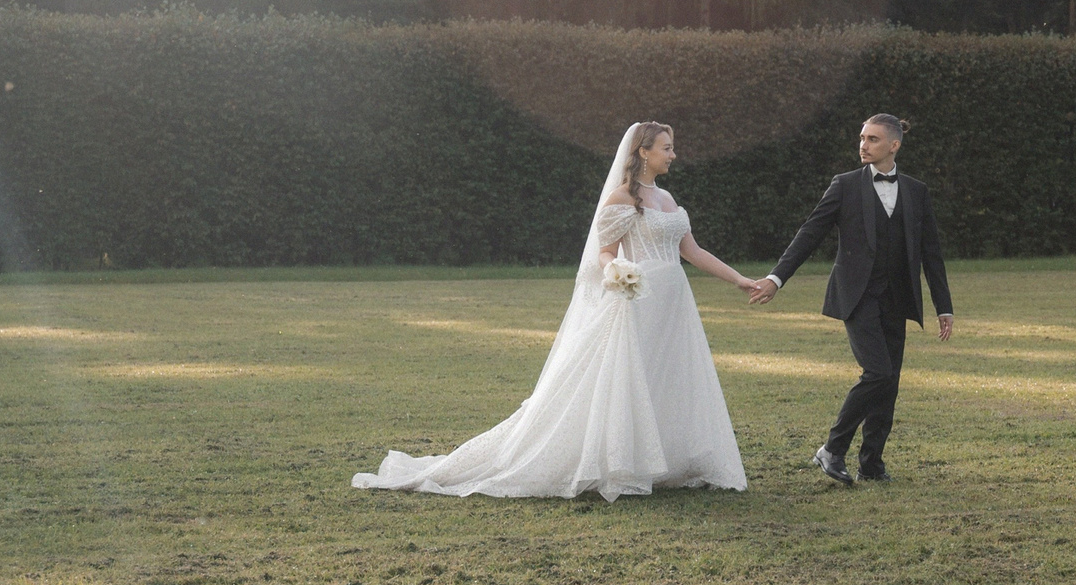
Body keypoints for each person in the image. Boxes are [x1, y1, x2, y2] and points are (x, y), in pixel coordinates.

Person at [355, 122, 757, 500]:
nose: (673, 155)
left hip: (673, 301)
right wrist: (617, 271)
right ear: (644, 152)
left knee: (667, 377)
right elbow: (603, 253)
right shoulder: (621, 199)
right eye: (666, 148)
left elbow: (693, 251)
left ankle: (662, 461)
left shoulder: (667, 199)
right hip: (638, 300)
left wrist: (739, 280)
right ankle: (617, 463)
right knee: (628, 379)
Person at [750, 113, 952, 484]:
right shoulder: (844, 186)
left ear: (894, 145)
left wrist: (944, 306)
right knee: (877, 372)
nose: (863, 144)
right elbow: (810, 233)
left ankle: (872, 464)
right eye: (862, 137)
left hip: (899, 297)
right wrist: (777, 278)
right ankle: (832, 448)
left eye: (873, 139)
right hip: (856, 297)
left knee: (888, 384)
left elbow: (931, 253)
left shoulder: (916, 191)